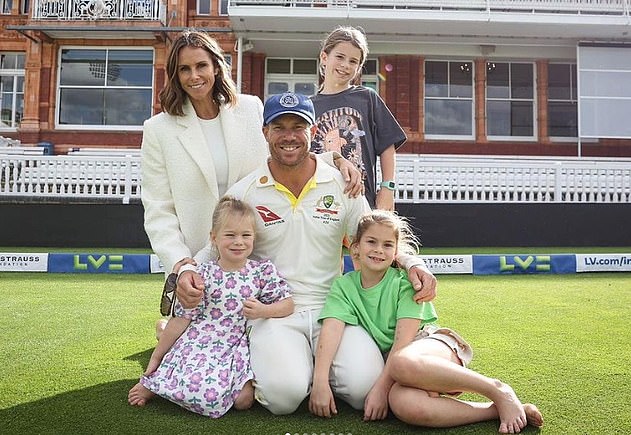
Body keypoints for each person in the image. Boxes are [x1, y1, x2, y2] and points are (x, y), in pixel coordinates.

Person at [177, 92, 437, 416]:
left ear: (313, 133)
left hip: (337, 308)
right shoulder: (245, 191)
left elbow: (377, 235)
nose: (289, 136)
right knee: (283, 398)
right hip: (275, 312)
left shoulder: (342, 185)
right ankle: (302, 369)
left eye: (298, 127)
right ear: (265, 133)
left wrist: (413, 262)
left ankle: (316, 367)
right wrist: (185, 269)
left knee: (363, 389)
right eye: (279, 127)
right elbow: (212, 247)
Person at [140, 29, 361, 333]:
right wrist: (181, 264)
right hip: (201, 256)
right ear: (175, 75)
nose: (194, 76)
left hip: (255, 249)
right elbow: (158, 210)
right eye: (184, 69)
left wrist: (335, 160)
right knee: (195, 350)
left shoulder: (250, 109)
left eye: (201, 66)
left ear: (216, 66)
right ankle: (173, 324)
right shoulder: (159, 130)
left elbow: (285, 152)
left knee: (251, 339)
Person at [310, 209, 543, 433]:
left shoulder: (405, 282)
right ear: (355, 248)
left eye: (388, 245)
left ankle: (498, 390)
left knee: (401, 362)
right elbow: (332, 328)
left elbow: (404, 341)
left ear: (396, 252)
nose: (379, 250)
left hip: (429, 347)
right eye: (371, 242)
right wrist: (320, 382)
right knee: (405, 405)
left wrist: (381, 388)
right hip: (398, 365)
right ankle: (493, 411)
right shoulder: (344, 286)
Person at [128, 196, 294, 417]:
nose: (239, 242)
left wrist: (264, 311)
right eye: (230, 235)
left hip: (236, 345)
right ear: (214, 238)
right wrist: (156, 359)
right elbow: (183, 319)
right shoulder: (203, 274)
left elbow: (288, 304)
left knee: (244, 401)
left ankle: (162, 335)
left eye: (246, 235)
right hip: (201, 340)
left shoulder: (261, 272)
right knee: (193, 382)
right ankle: (157, 384)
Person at [310, 26, 407, 210]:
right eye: (339, 57)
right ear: (324, 57)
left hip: (361, 201)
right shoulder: (307, 107)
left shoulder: (367, 98)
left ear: (359, 67)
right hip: (318, 203)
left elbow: (387, 145)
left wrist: (387, 188)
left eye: (353, 61)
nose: (345, 65)